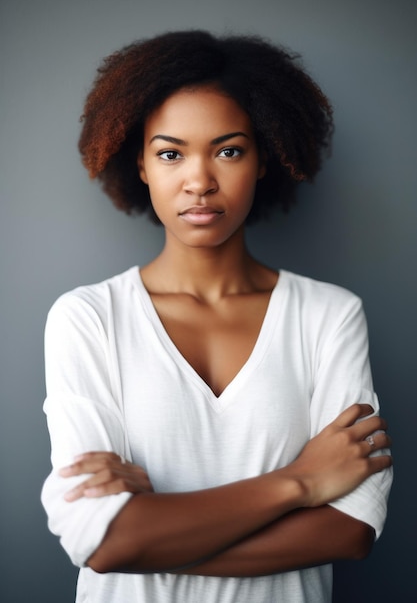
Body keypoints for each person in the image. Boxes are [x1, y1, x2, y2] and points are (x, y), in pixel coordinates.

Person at [41, 30, 393, 603]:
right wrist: (299, 481)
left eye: (228, 150)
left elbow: (350, 530)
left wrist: (146, 537)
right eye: (171, 153)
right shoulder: (88, 318)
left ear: (263, 159)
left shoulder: (329, 315)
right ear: (142, 163)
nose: (199, 181)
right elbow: (100, 541)